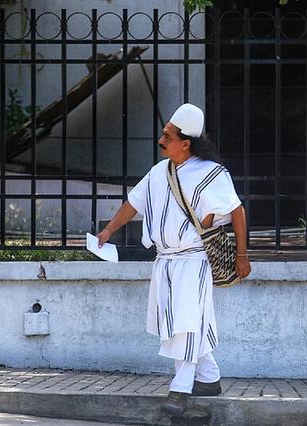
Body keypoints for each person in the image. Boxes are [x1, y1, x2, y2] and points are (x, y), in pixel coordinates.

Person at [97, 103, 251, 416]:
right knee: (177, 322)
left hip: (195, 260)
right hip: (165, 261)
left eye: (167, 136)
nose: (161, 140)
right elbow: (133, 203)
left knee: (188, 322)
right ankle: (209, 377)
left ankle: (180, 388)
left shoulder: (211, 173)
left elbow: (237, 210)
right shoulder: (158, 172)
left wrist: (243, 255)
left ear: (186, 143)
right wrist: (109, 229)